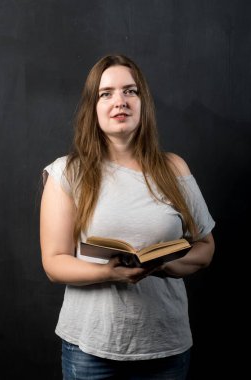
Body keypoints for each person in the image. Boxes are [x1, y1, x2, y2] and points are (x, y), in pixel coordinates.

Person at [40, 54, 215, 380]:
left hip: (166, 346)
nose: (119, 100)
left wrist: (162, 265)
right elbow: (54, 261)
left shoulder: (174, 168)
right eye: (106, 93)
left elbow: (205, 246)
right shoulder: (66, 172)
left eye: (130, 91)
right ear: (93, 107)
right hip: (90, 349)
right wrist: (112, 273)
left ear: (142, 102)